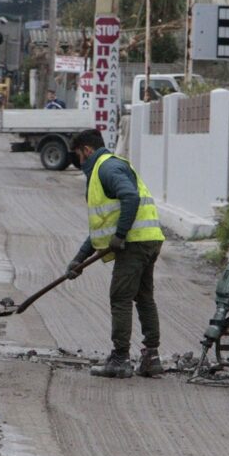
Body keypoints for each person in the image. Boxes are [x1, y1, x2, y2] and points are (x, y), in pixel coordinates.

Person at [66, 128, 166, 379]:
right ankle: (151, 357)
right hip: (148, 239)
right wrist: (79, 258)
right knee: (143, 297)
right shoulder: (111, 166)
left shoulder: (106, 169)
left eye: (78, 155)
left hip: (134, 243)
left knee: (120, 296)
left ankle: (120, 359)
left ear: (87, 151)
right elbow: (103, 228)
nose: (79, 162)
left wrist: (121, 235)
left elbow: (130, 197)